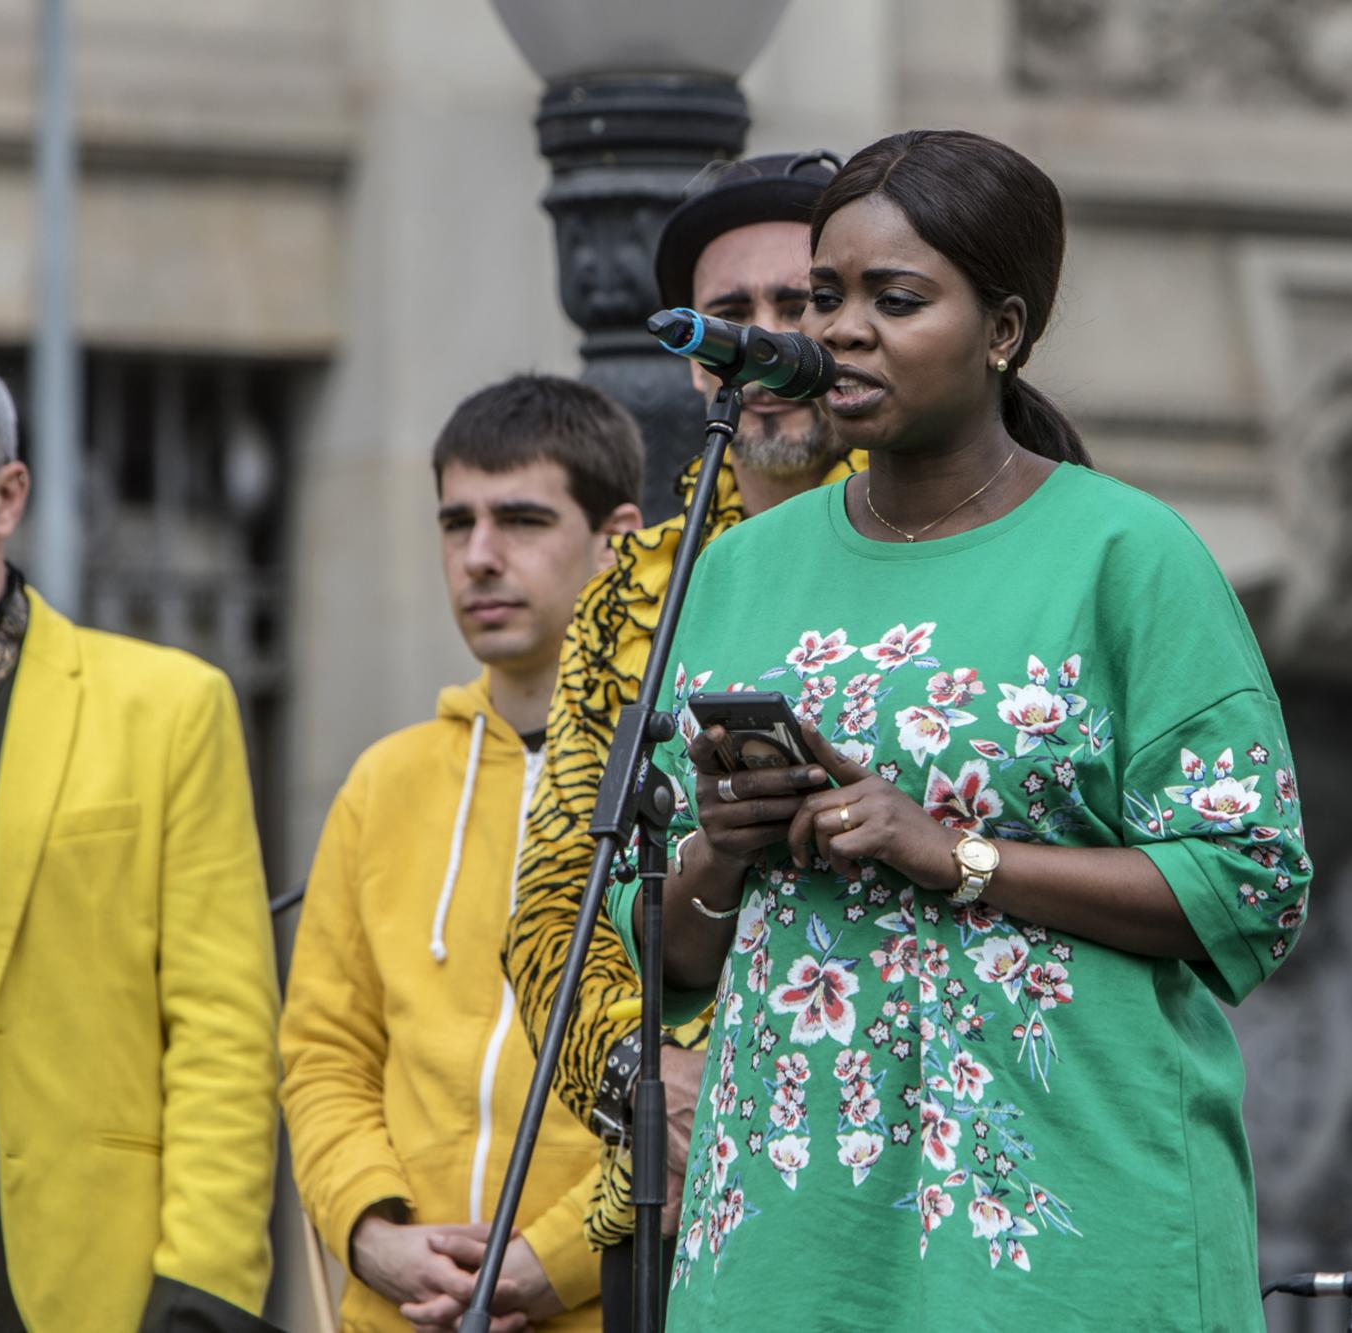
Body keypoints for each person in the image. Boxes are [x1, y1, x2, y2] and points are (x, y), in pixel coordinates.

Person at [604, 129, 1309, 1330]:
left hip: (1064, 1207)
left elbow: (1252, 880)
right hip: (794, 1220)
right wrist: (723, 841)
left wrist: (952, 855)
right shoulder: (734, 571)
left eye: (896, 298)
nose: (839, 329)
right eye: (826, 296)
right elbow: (664, 950)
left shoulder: (1126, 555)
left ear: (1001, 330)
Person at [499, 151, 862, 1315]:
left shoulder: (943, 541)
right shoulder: (630, 589)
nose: (760, 347)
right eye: (726, 319)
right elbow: (557, 900)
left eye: (797, 308)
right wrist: (641, 1076)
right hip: (674, 1191)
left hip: (901, 1159)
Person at [0, 326, 280, 1330]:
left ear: (6, 495)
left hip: (65, 1293)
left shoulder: (167, 707)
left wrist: (205, 1297)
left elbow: (222, 1037)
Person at [281, 374, 645, 1332]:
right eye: (457, 523)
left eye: (521, 520)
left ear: (619, 539)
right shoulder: (384, 781)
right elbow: (324, 1052)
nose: (480, 557)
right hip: (395, 1308)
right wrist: (370, 1231)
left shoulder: (674, 781)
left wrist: (553, 1262)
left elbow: (705, 1073)